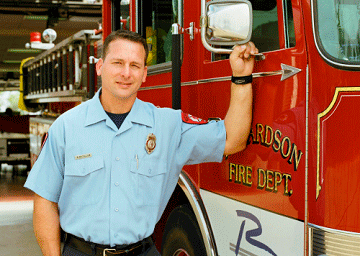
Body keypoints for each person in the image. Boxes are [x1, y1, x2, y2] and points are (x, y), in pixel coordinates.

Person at [24, 29, 258, 256]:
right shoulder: (66, 127)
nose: (126, 73)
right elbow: (45, 201)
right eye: (117, 63)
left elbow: (231, 140)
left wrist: (241, 76)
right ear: (99, 67)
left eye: (134, 65)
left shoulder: (168, 126)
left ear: (144, 73)